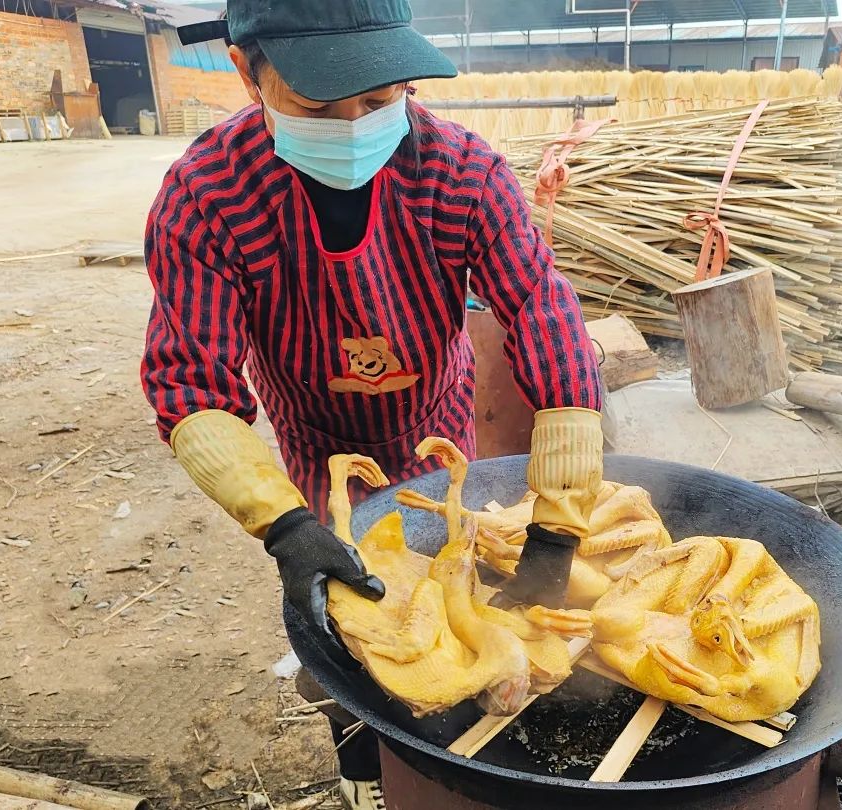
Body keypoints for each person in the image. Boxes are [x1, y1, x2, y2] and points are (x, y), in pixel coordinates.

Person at [141, 1, 604, 808]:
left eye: (381, 98)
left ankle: (460, 722)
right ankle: (366, 761)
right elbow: (190, 386)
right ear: (249, 73)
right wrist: (284, 526)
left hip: (437, 424)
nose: (357, 123)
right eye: (322, 107)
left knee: (443, 561)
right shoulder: (207, 196)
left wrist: (560, 520)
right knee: (352, 612)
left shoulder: (462, 174)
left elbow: (541, 308)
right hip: (317, 446)